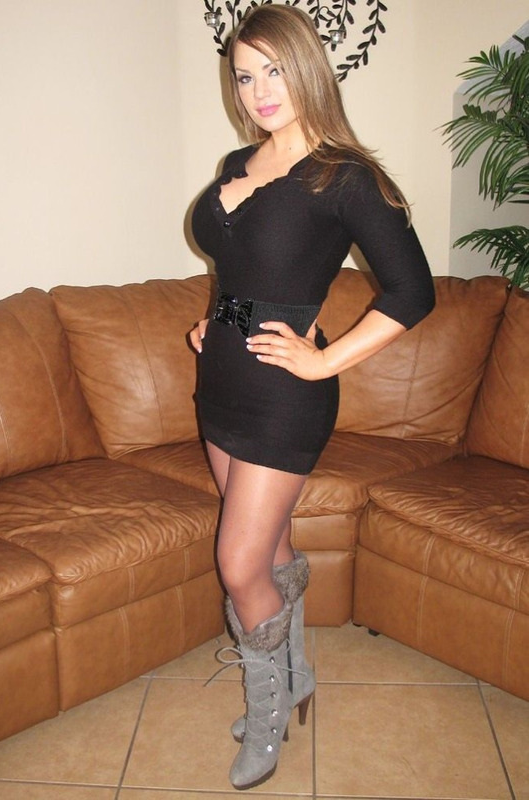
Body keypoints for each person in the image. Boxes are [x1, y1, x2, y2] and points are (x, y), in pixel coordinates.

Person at [189, 3, 435, 790]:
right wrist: (215, 320)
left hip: (284, 397)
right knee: (268, 550)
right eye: (244, 76)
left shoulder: (345, 176)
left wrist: (326, 361)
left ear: (307, 70)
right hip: (221, 381)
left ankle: (267, 719)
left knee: (238, 563)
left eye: (274, 71)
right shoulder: (239, 160)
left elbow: (413, 291)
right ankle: (293, 679)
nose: (259, 91)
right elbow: (238, 268)